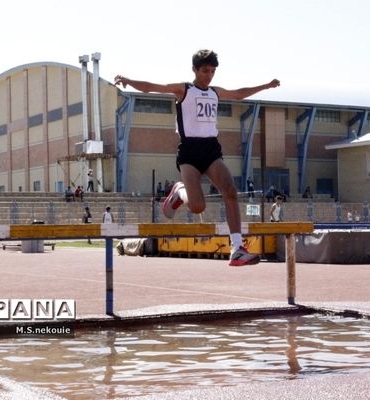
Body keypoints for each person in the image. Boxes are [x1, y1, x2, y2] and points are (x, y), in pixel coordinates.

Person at [114, 49, 280, 267]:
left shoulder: (215, 92)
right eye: (204, 71)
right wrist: (128, 80)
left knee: (230, 191)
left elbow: (239, 94)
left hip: (211, 148)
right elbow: (153, 87)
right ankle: (179, 192)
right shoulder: (185, 90)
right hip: (189, 152)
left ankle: (237, 248)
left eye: (212, 71)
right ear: (194, 70)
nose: (208, 75)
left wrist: (266, 86)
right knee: (198, 207)